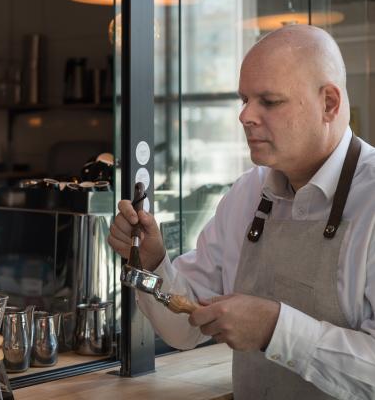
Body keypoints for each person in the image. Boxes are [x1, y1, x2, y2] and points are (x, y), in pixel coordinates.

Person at [108, 25, 375, 399]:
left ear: (328, 103)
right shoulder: (248, 193)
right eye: (244, 99)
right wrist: (153, 262)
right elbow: (185, 330)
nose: (246, 115)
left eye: (269, 101)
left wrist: (276, 329)